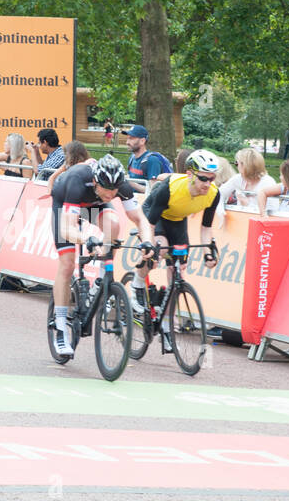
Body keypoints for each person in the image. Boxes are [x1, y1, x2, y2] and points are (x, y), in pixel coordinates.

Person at [47, 154, 153, 358]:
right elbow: (68, 229)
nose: (112, 193)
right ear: (95, 181)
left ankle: (101, 279)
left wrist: (147, 240)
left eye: (115, 189)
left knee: (114, 225)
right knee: (68, 265)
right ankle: (60, 326)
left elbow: (140, 219)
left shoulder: (118, 187)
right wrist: (86, 238)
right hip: (66, 203)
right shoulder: (77, 181)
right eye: (106, 188)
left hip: (94, 205)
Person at [132, 150, 222, 353]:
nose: (207, 184)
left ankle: (166, 326)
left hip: (177, 221)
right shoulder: (170, 188)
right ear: (190, 174)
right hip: (154, 217)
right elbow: (150, 225)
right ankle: (137, 282)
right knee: (159, 249)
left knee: (179, 272)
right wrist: (151, 248)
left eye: (211, 179)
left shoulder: (213, 194)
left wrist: (208, 252)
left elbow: (206, 227)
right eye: (203, 179)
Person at [124, 124, 171, 192]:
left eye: (131, 138)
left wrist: (131, 183)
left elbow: (153, 190)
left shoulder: (152, 160)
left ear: (142, 141)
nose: (127, 142)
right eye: (127, 138)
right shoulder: (132, 158)